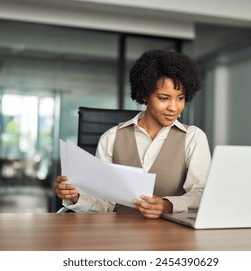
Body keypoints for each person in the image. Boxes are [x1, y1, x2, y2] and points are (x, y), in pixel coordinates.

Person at [54, 49, 211, 219]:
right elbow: (104, 203)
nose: (174, 107)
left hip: (171, 235)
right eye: (164, 98)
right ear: (145, 95)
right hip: (119, 234)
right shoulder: (111, 138)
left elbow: (201, 193)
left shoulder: (193, 138)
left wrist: (168, 205)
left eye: (180, 98)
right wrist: (75, 197)